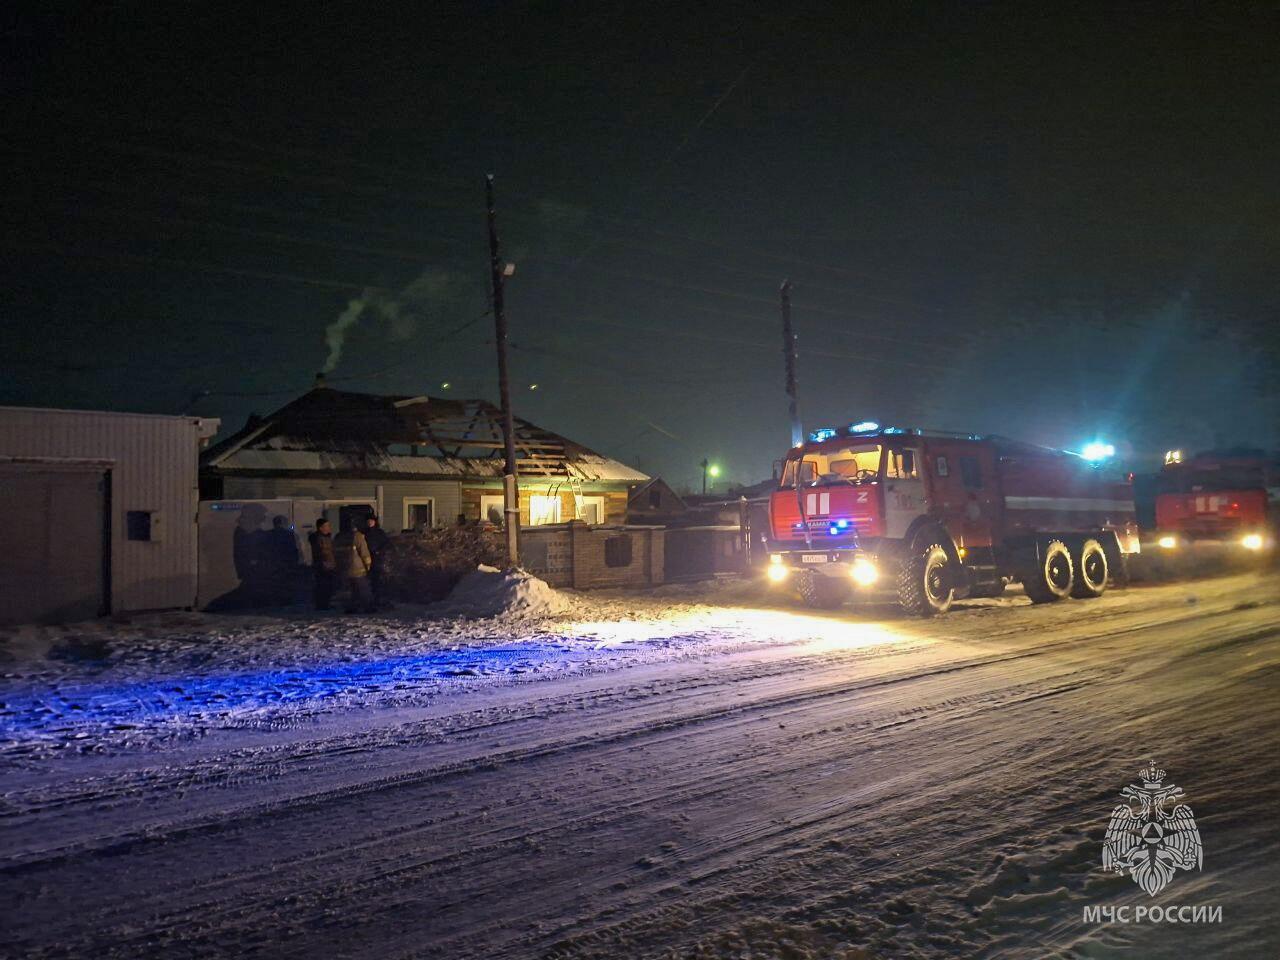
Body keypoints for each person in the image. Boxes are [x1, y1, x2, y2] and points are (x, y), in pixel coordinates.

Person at [333, 516, 375, 613]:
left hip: (344, 569)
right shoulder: (357, 536)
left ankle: (351, 607)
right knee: (363, 589)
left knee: (349, 590)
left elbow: (335, 552)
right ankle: (368, 607)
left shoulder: (339, 536)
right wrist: (368, 566)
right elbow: (364, 553)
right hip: (358, 569)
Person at [267, 515, 300, 604]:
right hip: (286, 563)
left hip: (273, 563)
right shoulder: (288, 534)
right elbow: (293, 549)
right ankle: (285, 601)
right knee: (286, 583)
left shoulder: (268, 534)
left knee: (274, 583)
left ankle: (275, 600)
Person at [308, 518, 337, 611]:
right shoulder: (318, 538)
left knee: (327, 586)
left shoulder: (326, 537)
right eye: (327, 526)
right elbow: (322, 552)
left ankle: (325, 603)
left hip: (328, 565)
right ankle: (322, 604)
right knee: (322, 585)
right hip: (323, 565)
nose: (329, 528)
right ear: (321, 528)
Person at [364, 514, 391, 609]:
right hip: (366, 559)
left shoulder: (379, 533)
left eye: (371, 521)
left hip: (377, 560)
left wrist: (380, 551)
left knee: (377, 581)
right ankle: (369, 600)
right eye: (368, 521)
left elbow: (386, 544)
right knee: (368, 581)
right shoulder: (364, 533)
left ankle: (378, 600)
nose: (369, 522)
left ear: (375, 522)